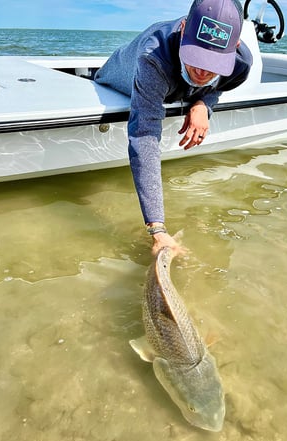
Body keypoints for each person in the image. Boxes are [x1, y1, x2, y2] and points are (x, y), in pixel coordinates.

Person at [95, 0, 253, 255]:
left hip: (175, 86)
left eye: (214, 63)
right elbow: (144, 134)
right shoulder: (153, 58)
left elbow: (219, 88)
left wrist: (203, 103)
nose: (203, 71)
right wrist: (156, 228)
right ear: (182, 29)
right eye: (197, 58)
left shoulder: (241, 64)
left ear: (234, 48)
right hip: (118, 77)